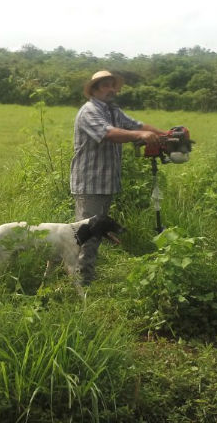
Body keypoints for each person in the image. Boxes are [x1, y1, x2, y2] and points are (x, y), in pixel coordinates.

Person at [70, 70, 163, 285]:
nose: (111, 89)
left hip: (106, 183)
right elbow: (109, 134)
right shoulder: (89, 111)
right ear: (94, 90)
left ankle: (84, 275)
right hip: (90, 184)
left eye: (113, 85)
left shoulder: (113, 111)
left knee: (95, 233)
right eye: (105, 85)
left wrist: (165, 134)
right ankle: (81, 281)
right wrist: (140, 136)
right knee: (87, 235)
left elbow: (137, 126)